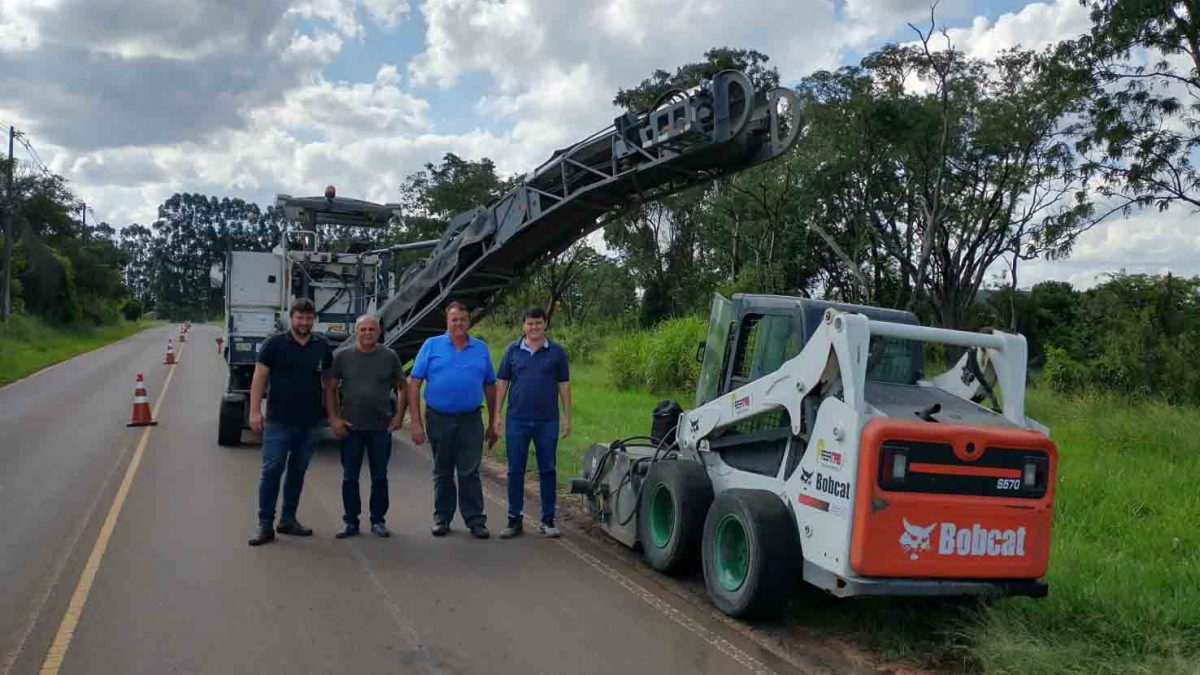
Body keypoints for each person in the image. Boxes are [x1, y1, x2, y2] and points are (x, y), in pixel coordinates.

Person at [408, 301, 499, 539]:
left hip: (470, 419)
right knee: (443, 470)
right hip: (438, 418)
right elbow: (414, 383)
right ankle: (442, 518)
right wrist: (416, 422)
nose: (458, 324)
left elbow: (490, 385)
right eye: (454, 319)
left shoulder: (480, 348)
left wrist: (493, 421)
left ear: (469, 322)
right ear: (447, 322)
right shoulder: (431, 345)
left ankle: (476, 520)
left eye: (462, 320)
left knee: (470, 471)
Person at [247, 298, 333, 546]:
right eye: (299, 317)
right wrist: (255, 411)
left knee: (297, 472)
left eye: (308, 318)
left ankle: (288, 519)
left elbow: (328, 382)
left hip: (309, 423)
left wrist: (331, 414)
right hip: (278, 422)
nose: (304, 322)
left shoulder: (322, 345)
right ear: (291, 318)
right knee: (272, 471)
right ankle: (265, 524)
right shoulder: (274, 344)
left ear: (313, 319)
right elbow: (259, 377)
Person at [324, 315, 406, 539]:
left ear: (378, 333)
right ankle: (351, 521)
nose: (367, 333)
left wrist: (399, 416)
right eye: (363, 329)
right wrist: (334, 419)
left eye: (372, 329)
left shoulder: (389, 356)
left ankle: (378, 520)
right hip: (351, 428)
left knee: (380, 476)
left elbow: (402, 387)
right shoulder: (342, 357)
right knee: (350, 477)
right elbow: (330, 388)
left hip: (381, 428)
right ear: (356, 332)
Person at [492, 307, 571, 539]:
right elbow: (502, 383)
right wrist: (496, 414)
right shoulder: (512, 351)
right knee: (515, 470)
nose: (534, 327)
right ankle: (514, 519)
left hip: (548, 421)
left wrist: (568, 416)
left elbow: (564, 385)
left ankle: (547, 520)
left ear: (545, 324)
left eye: (538, 323)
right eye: (529, 323)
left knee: (547, 469)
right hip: (517, 419)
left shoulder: (557, 352)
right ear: (523, 326)